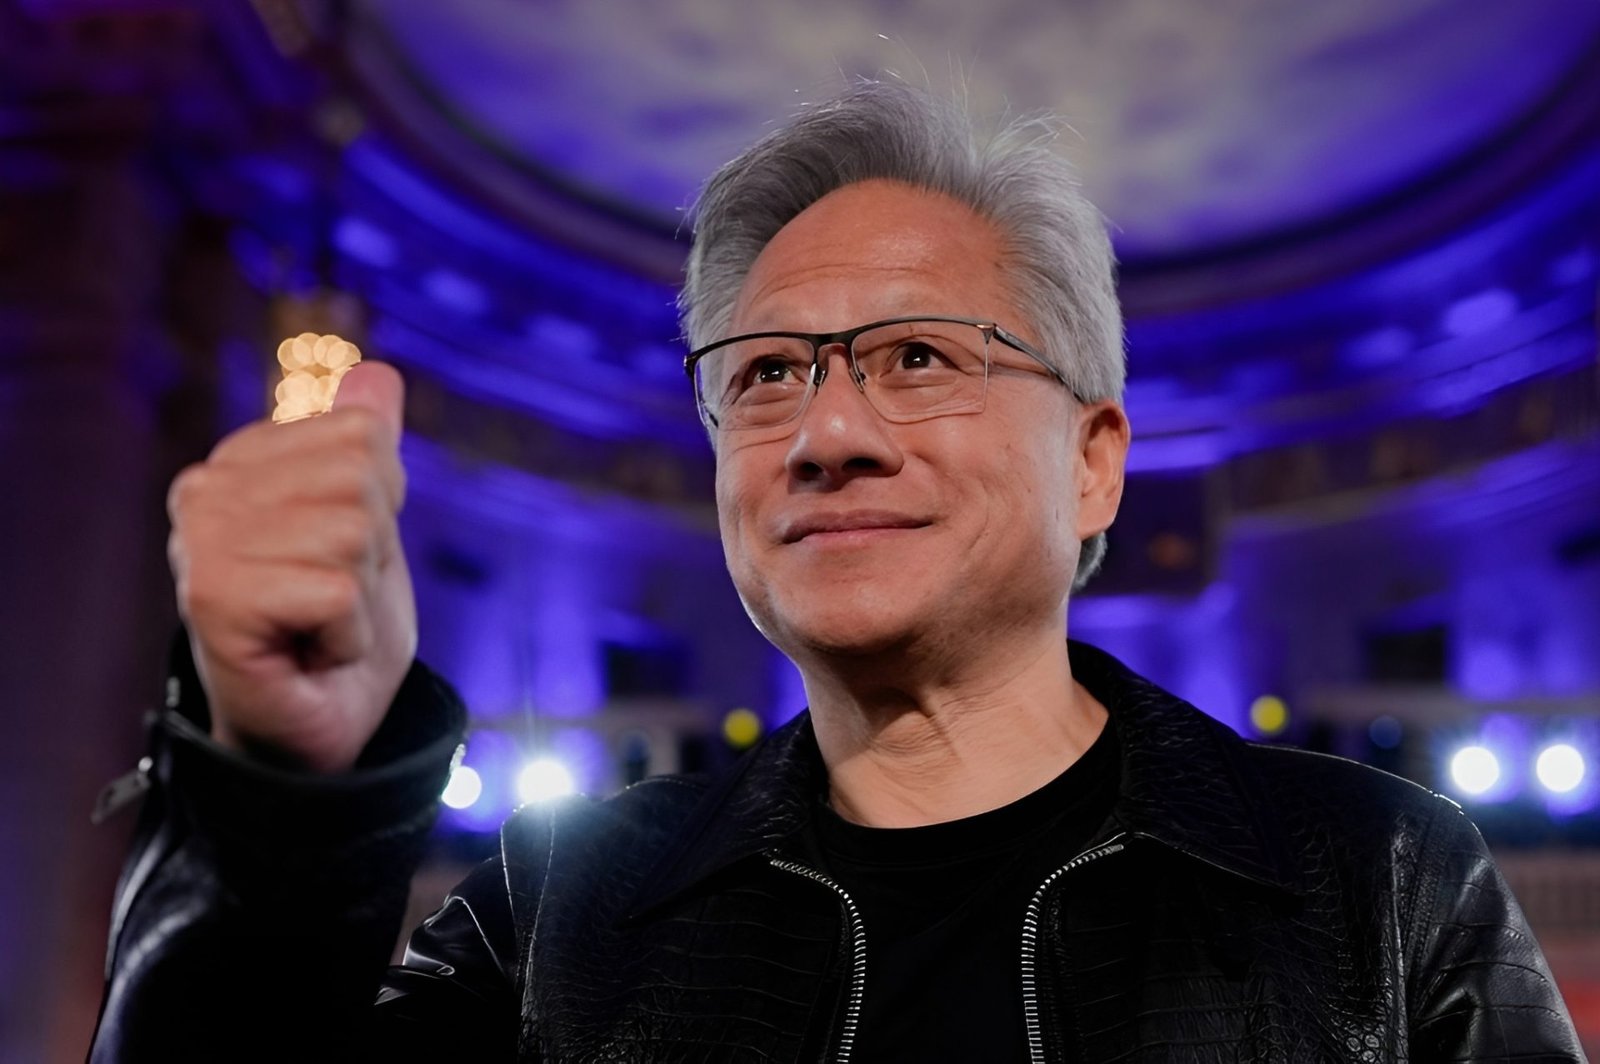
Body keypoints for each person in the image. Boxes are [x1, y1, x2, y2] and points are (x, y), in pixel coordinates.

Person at [90, 81, 1584, 1062]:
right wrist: (284, 792)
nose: (827, 433)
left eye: (918, 356)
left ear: (1094, 462)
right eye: (766, 374)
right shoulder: (562, 905)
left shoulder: (1380, 879)